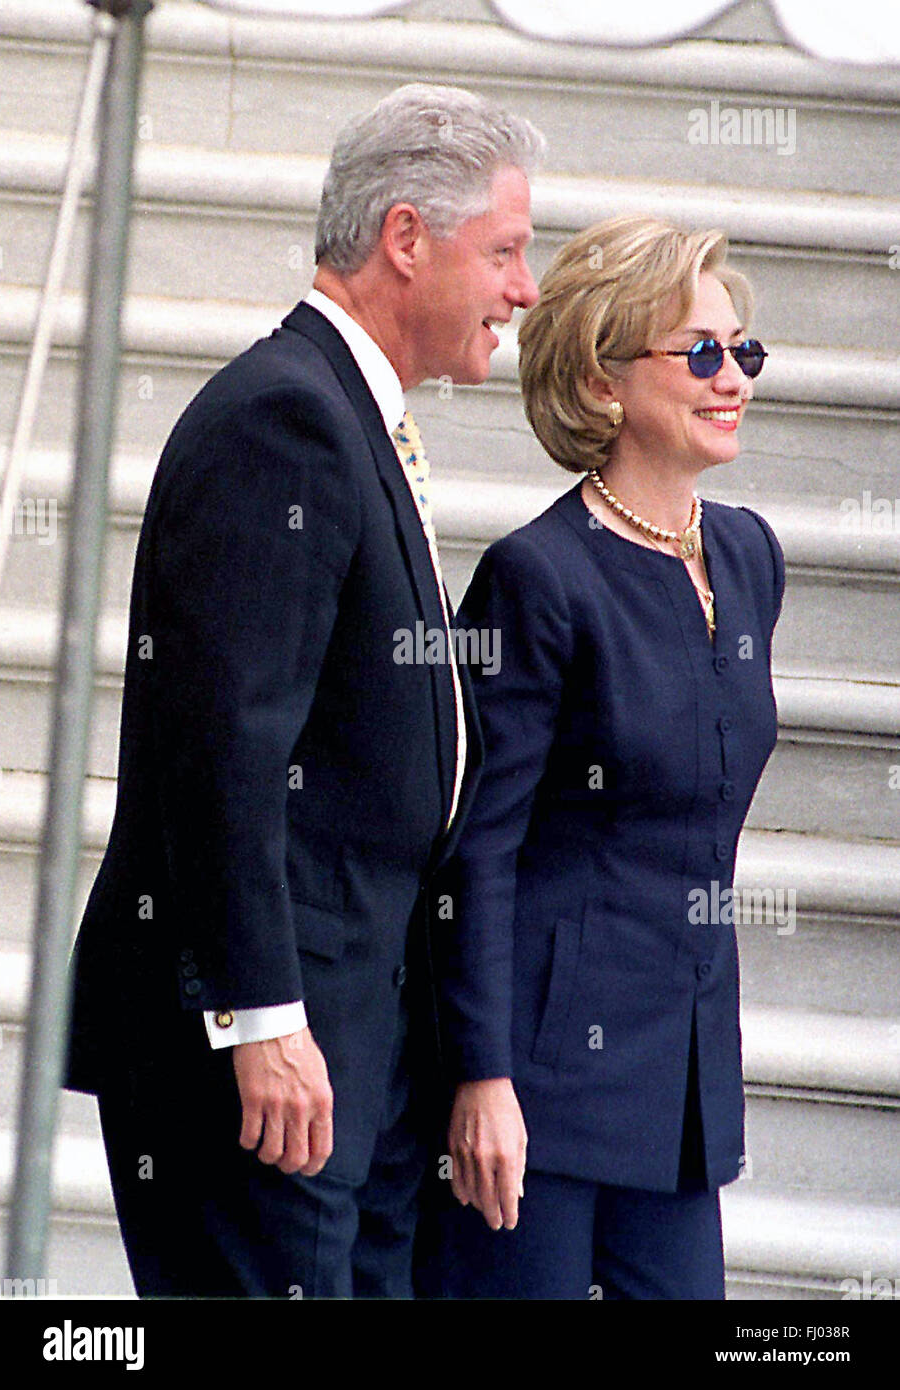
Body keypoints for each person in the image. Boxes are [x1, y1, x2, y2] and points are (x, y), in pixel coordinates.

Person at [63, 82, 542, 1298]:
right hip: (269, 1059)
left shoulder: (347, 410)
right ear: (403, 238)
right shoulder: (287, 417)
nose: (523, 290)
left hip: (355, 1038)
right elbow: (223, 745)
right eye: (503, 251)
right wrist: (259, 1018)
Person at [416, 214, 785, 1299]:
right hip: (540, 1083)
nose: (734, 379)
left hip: (680, 1085)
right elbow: (478, 853)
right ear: (604, 378)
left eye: (743, 351)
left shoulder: (752, 556)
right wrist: (481, 1075)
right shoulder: (539, 576)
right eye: (701, 352)